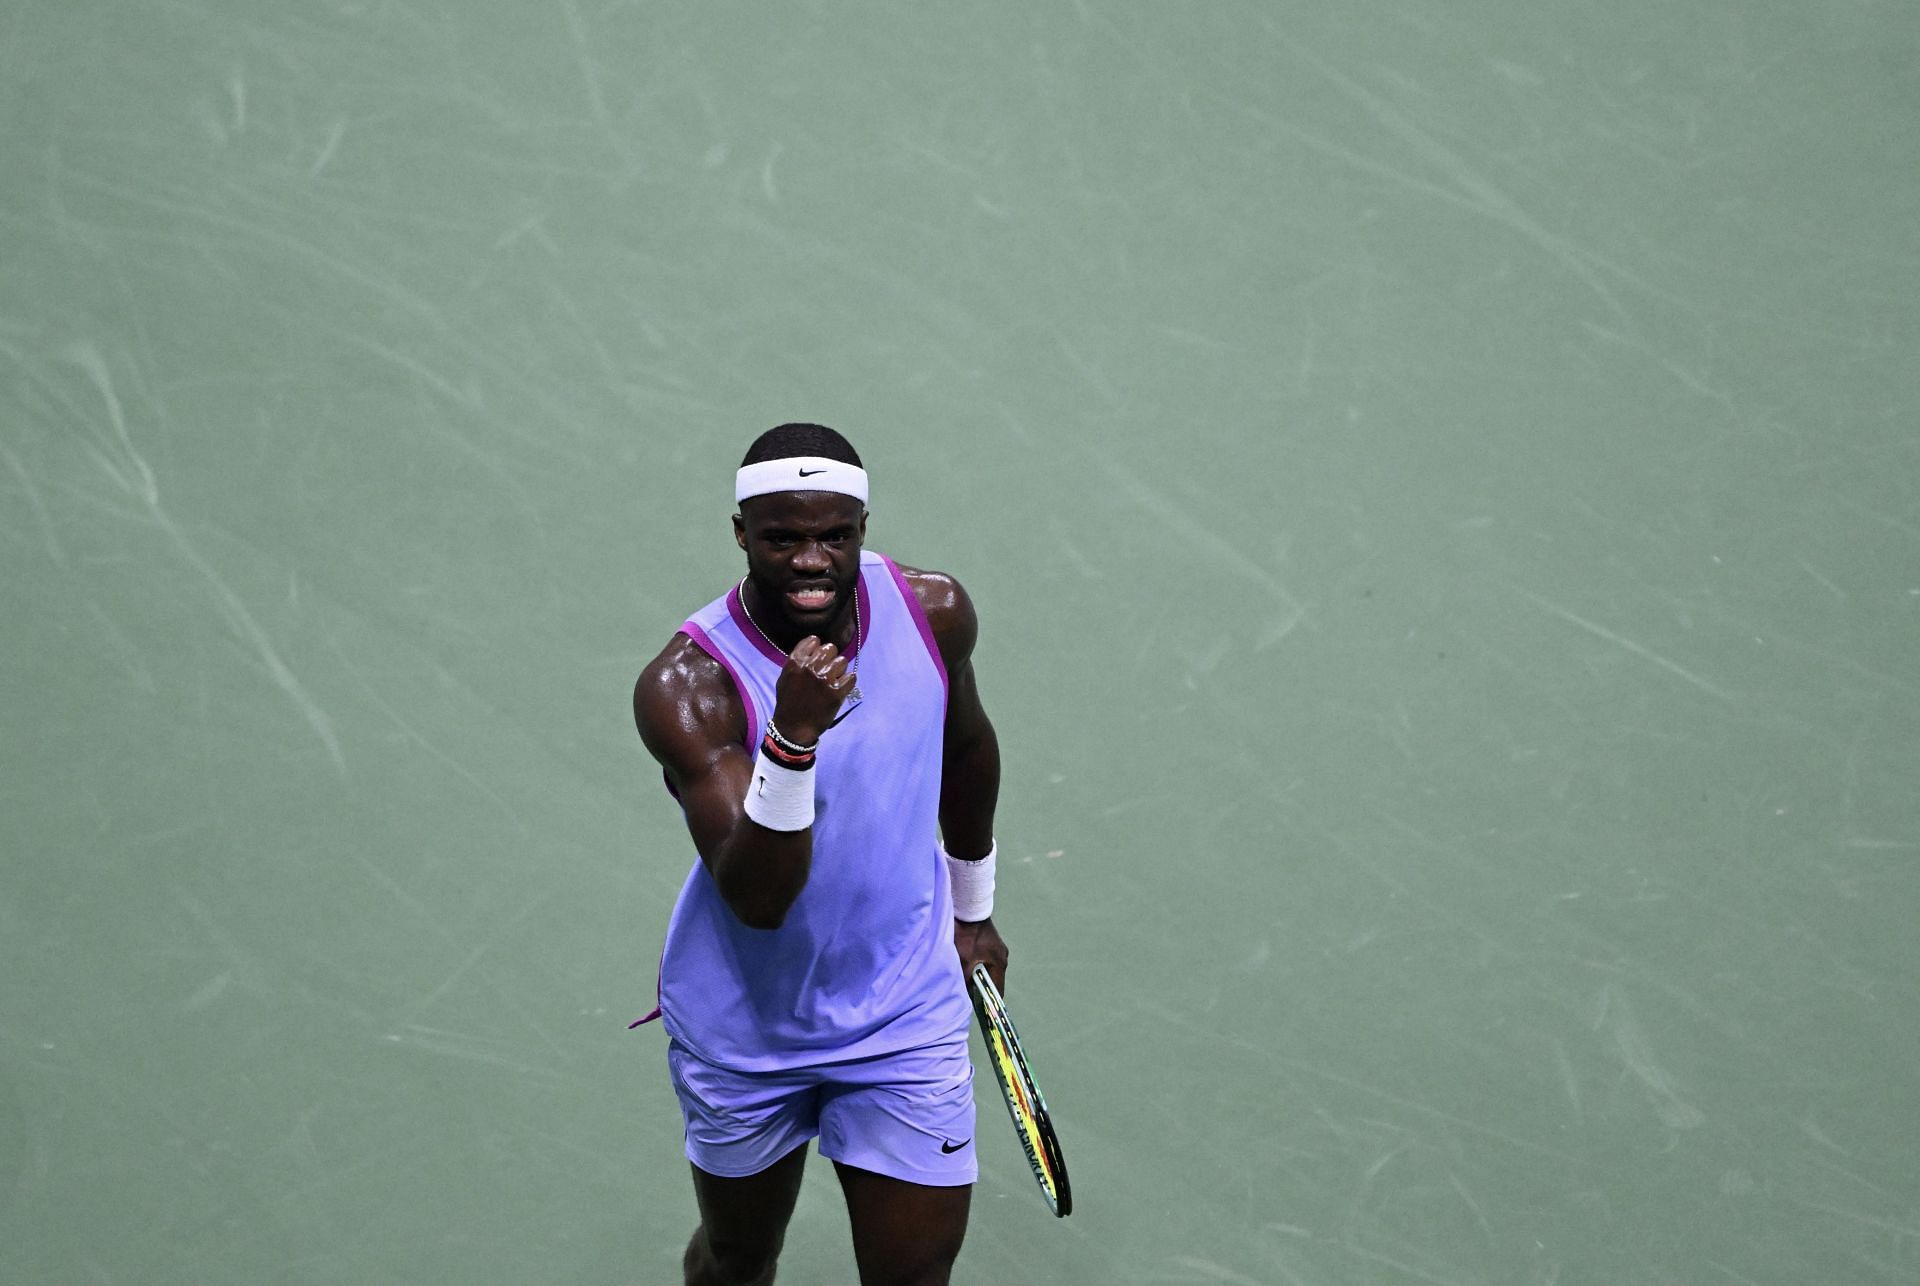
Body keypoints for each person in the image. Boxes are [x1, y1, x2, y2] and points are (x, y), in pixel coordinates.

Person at [632, 423, 1010, 1286]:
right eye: (783, 538)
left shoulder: (934, 612)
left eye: (834, 535)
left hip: (902, 1010)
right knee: (739, 1259)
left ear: (864, 526)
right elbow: (759, 896)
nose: (811, 559)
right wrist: (793, 737)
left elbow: (967, 749)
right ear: (740, 534)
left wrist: (975, 908)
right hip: (748, 1025)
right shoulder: (688, 687)